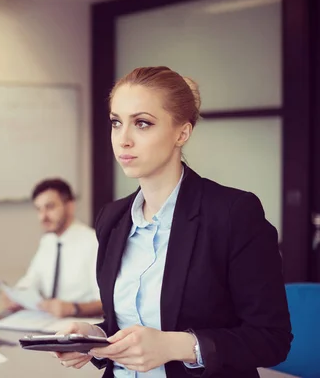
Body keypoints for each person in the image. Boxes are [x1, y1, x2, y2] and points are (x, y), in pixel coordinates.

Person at [55, 66, 292, 377]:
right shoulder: (112, 218)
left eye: (142, 123)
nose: (123, 139)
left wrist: (177, 346)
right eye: (116, 122)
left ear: (182, 132)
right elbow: (127, 325)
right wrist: (93, 336)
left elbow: (271, 340)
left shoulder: (233, 213)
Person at [5, 179, 102, 318]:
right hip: (46, 321)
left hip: (81, 324)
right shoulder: (48, 241)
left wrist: (73, 308)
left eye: (50, 207)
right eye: (39, 209)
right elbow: (32, 280)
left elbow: (108, 302)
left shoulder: (93, 243)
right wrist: (16, 296)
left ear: (70, 206)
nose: (43, 217)